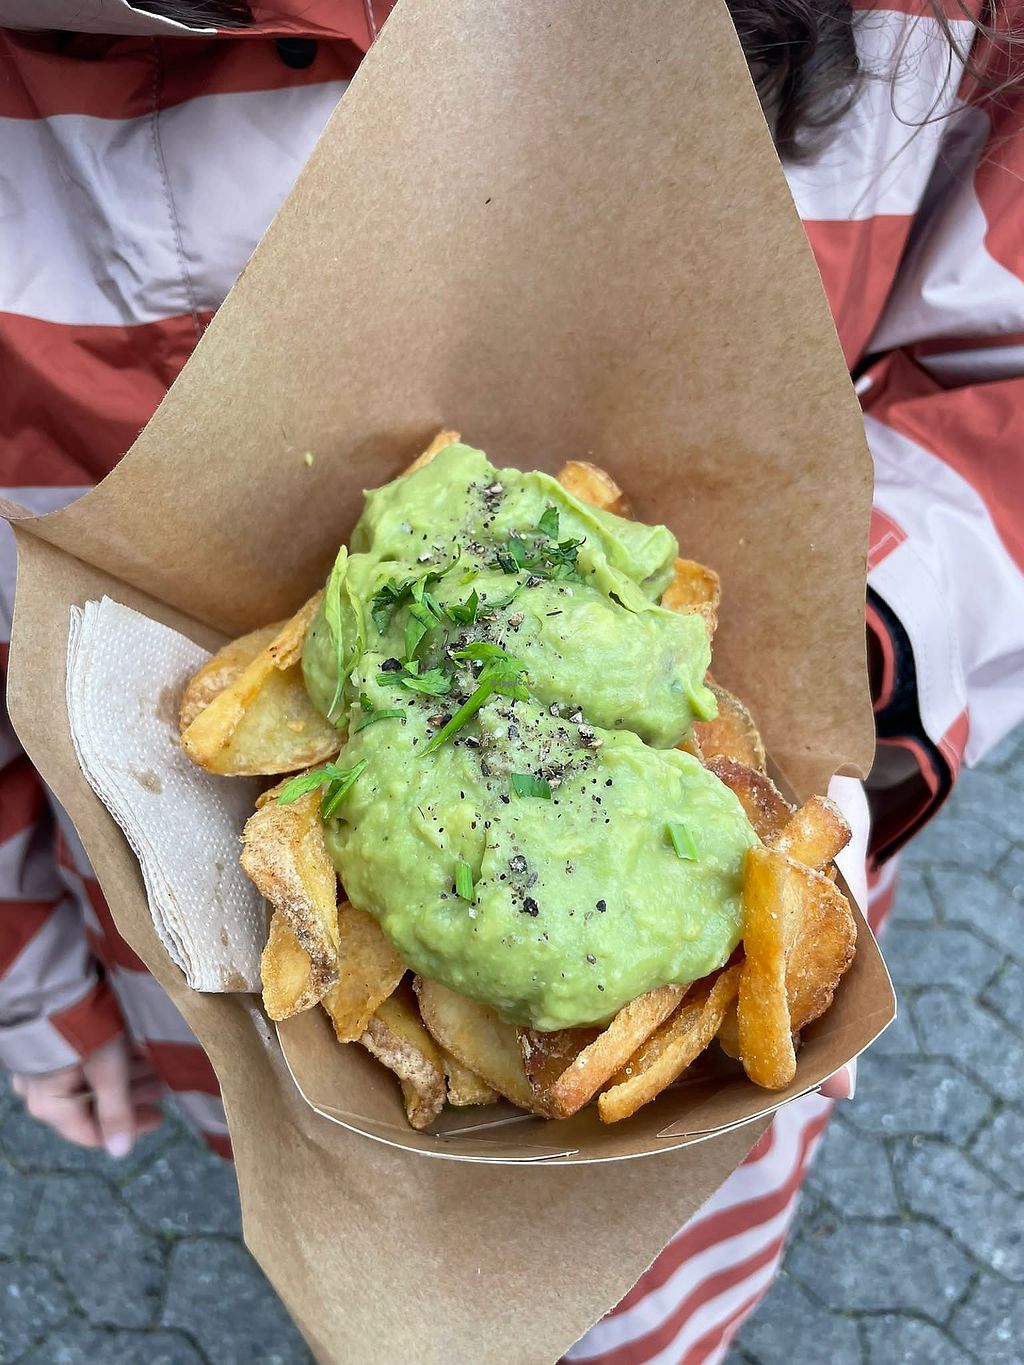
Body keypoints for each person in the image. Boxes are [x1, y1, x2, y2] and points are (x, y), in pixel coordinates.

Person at [1, 1, 1021, 1360]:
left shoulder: (928, 32)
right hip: (178, 953)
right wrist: (39, 989)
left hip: (724, 940)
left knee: (659, 1310)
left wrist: (864, 653)